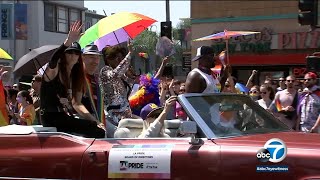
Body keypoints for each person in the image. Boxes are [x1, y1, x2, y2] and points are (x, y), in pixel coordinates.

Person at [40, 21, 105, 138]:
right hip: (50, 117)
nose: (73, 55)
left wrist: (96, 121)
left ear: (79, 56)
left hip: (64, 117)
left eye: (76, 53)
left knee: (97, 129)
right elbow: (53, 60)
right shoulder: (55, 70)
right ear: (63, 54)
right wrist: (67, 42)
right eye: (69, 52)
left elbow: (76, 103)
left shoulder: (75, 76)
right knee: (96, 131)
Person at [100, 41, 136, 124]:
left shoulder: (122, 75)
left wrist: (130, 74)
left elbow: (131, 84)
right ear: (108, 59)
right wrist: (129, 54)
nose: (119, 61)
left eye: (121, 58)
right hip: (112, 116)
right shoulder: (105, 71)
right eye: (117, 58)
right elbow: (114, 75)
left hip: (125, 114)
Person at [81, 44, 105, 126]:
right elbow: (76, 104)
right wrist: (96, 122)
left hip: (99, 118)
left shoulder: (96, 79)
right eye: (91, 57)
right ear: (82, 58)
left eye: (97, 58)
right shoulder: (79, 78)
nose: (95, 61)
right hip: (85, 120)